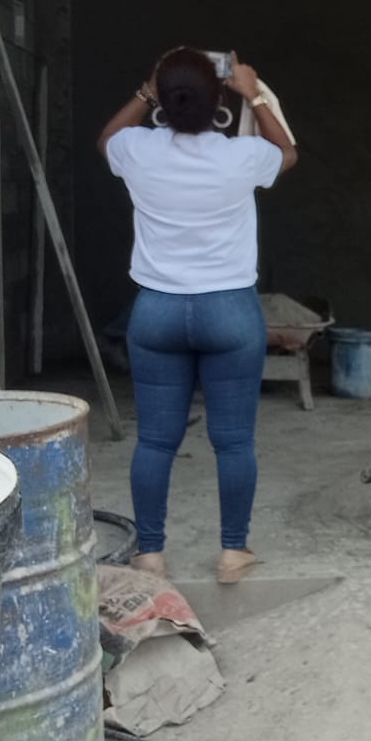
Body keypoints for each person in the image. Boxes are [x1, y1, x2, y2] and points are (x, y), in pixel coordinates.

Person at [97, 48, 297, 584]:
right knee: (233, 441)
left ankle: (150, 554)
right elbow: (287, 153)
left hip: (157, 312)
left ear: (163, 98)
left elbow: (106, 139)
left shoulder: (138, 149)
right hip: (229, 312)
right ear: (218, 101)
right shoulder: (242, 156)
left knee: (154, 441)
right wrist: (254, 94)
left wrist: (146, 91)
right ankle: (233, 552)